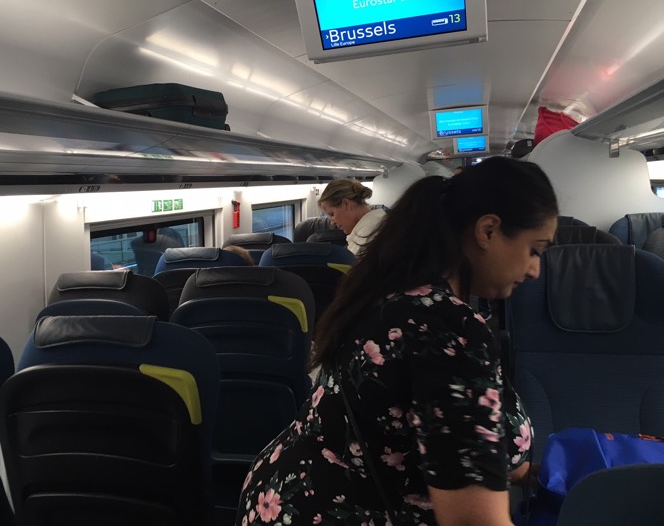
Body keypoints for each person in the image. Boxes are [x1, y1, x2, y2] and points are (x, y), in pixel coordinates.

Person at [236, 157, 558, 526]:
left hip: (287, 496)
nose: (535, 271)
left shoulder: (391, 292)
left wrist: (517, 470)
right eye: (534, 250)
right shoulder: (448, 330)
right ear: (488, 230)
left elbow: (435, 432)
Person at [319, 179, 387, 256]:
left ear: (346, 204)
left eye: (332, 214)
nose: (332, 222)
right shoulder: (379, 218)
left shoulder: (365, 237)